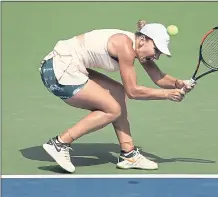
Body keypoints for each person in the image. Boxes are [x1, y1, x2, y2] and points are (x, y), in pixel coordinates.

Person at [39, 20, 196, 173]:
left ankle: (129, 155)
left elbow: (158, 77)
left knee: (117, 92)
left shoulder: (138, 47)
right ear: (143, 40)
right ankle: (59, 143)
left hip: (69, 66)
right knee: (113, 110)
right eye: (156, 50)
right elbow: (133, 91)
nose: (157, 56)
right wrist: (167, 94)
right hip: (57, 70)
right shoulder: (125, 47)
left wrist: (179, 83)